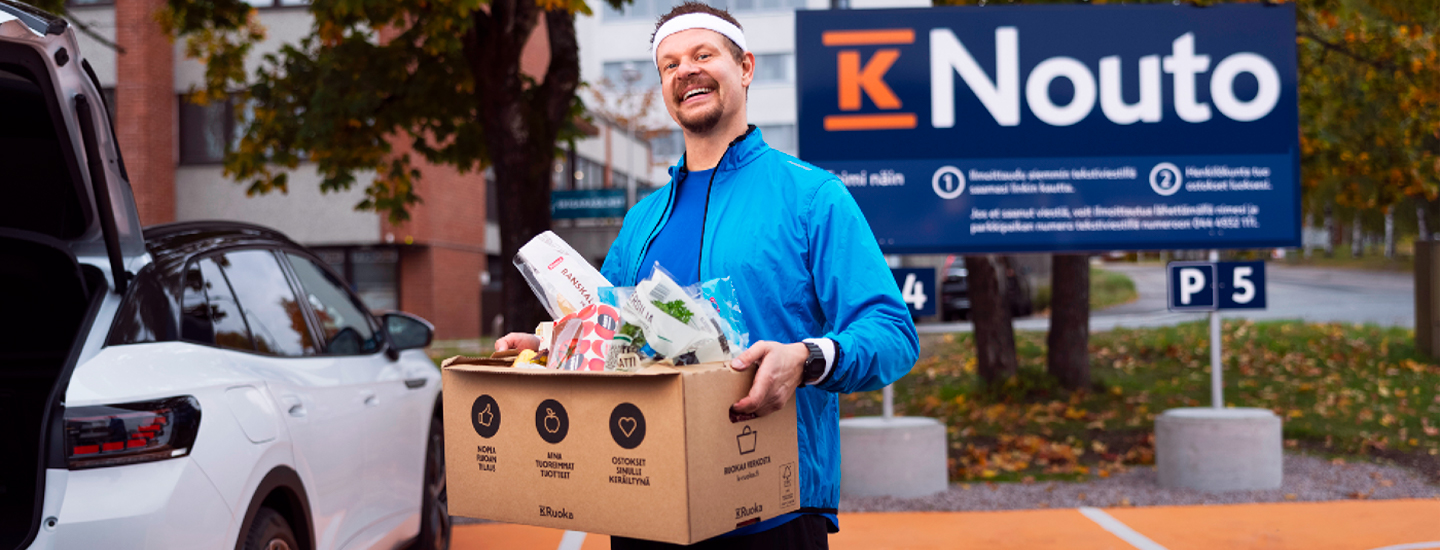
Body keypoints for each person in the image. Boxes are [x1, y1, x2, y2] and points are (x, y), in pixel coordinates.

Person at [497, 3, 919, 547]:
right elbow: (607, 333)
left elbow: (891, 333)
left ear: (744, 68)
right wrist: (550, 342)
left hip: (771, 511)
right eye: (669, 65)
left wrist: (807, 358)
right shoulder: (642, 220)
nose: (685, 71)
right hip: (643, 501)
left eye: (703, 55)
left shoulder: (812, 197)